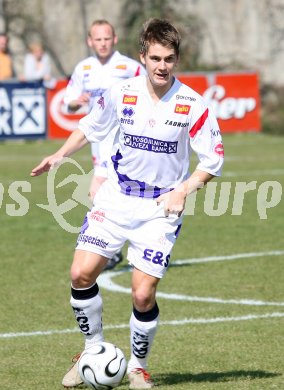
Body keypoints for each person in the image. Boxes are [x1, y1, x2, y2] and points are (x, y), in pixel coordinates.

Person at [31, 18, 224, 389]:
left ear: (177, 60)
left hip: (159, 209)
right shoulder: (122, 92)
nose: (162, 66)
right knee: (80, 274)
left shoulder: (192, 104)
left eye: (169, 58)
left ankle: (137, 367)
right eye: (155, 58)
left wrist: (185, 188)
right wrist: (59, 154)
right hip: (116, 198)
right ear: (143, 57)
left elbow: (213, 160)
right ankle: (92, 350)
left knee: (141, 292)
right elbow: (90, 125)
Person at [64, 19, 146, 271]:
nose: (102, 43)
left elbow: (150, 90)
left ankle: (112, 248)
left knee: (102, 192)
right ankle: (119, 247)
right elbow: (68, 102)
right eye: (97, 39)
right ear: (90, 41)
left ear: (115, 39)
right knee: (103, 193)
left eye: (106, 38)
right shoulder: (83, 68)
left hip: (123, 141)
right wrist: (77, 101)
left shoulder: (129, 67)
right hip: (98, 142)